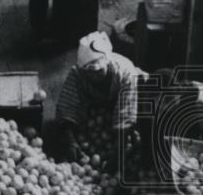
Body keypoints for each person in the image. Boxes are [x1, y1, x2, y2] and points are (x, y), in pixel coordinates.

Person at [54, 31, 144, 165]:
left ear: (107, 63)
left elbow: (125, 115)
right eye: (90, 72)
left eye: (99, 71)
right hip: (100, 103)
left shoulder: (125, 74)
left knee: (137, 122)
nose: (95, 75)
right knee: (81, 123)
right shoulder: (78, 73)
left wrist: (118, 151)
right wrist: (71, 142)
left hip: (131, 94)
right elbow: (66, 107)